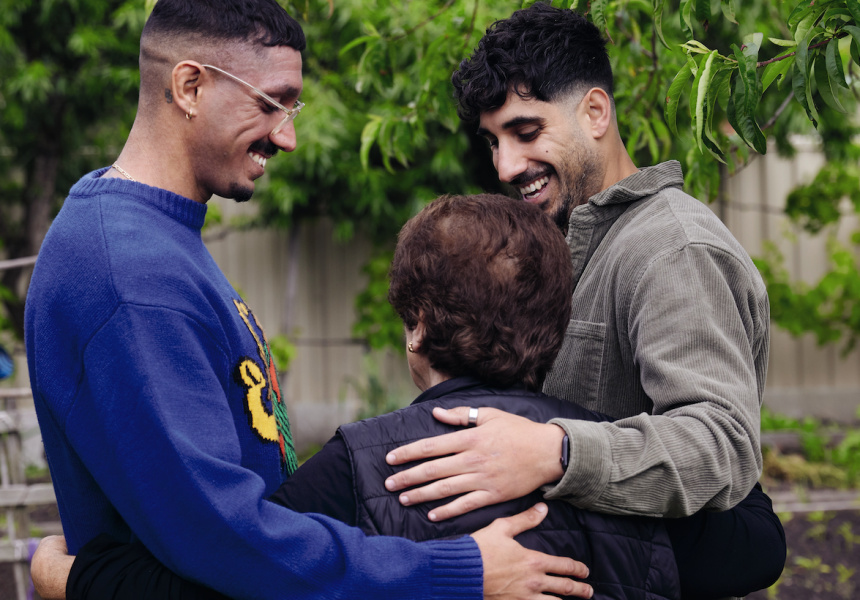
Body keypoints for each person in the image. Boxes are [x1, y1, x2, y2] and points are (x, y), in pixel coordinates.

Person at [24, 2, 589, 599]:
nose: (286, 136)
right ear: (190, 86)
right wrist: (456, 570)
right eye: (270, 103)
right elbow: (228, 544)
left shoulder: (156, 241)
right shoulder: (130, 276)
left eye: (291, 110)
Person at [37, 193, 688, 599]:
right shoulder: (614, 454)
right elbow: (737, 548)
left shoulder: (359, 465)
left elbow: (224, 584)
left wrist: (71, 577)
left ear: (417, 328)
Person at [380, 4, 784, 597]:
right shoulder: (553, 242)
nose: (505, 166)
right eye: (493, 142)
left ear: (595, 111)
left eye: (526, 132)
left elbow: (719, 446)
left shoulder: (673, 249)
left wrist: (558, 452)